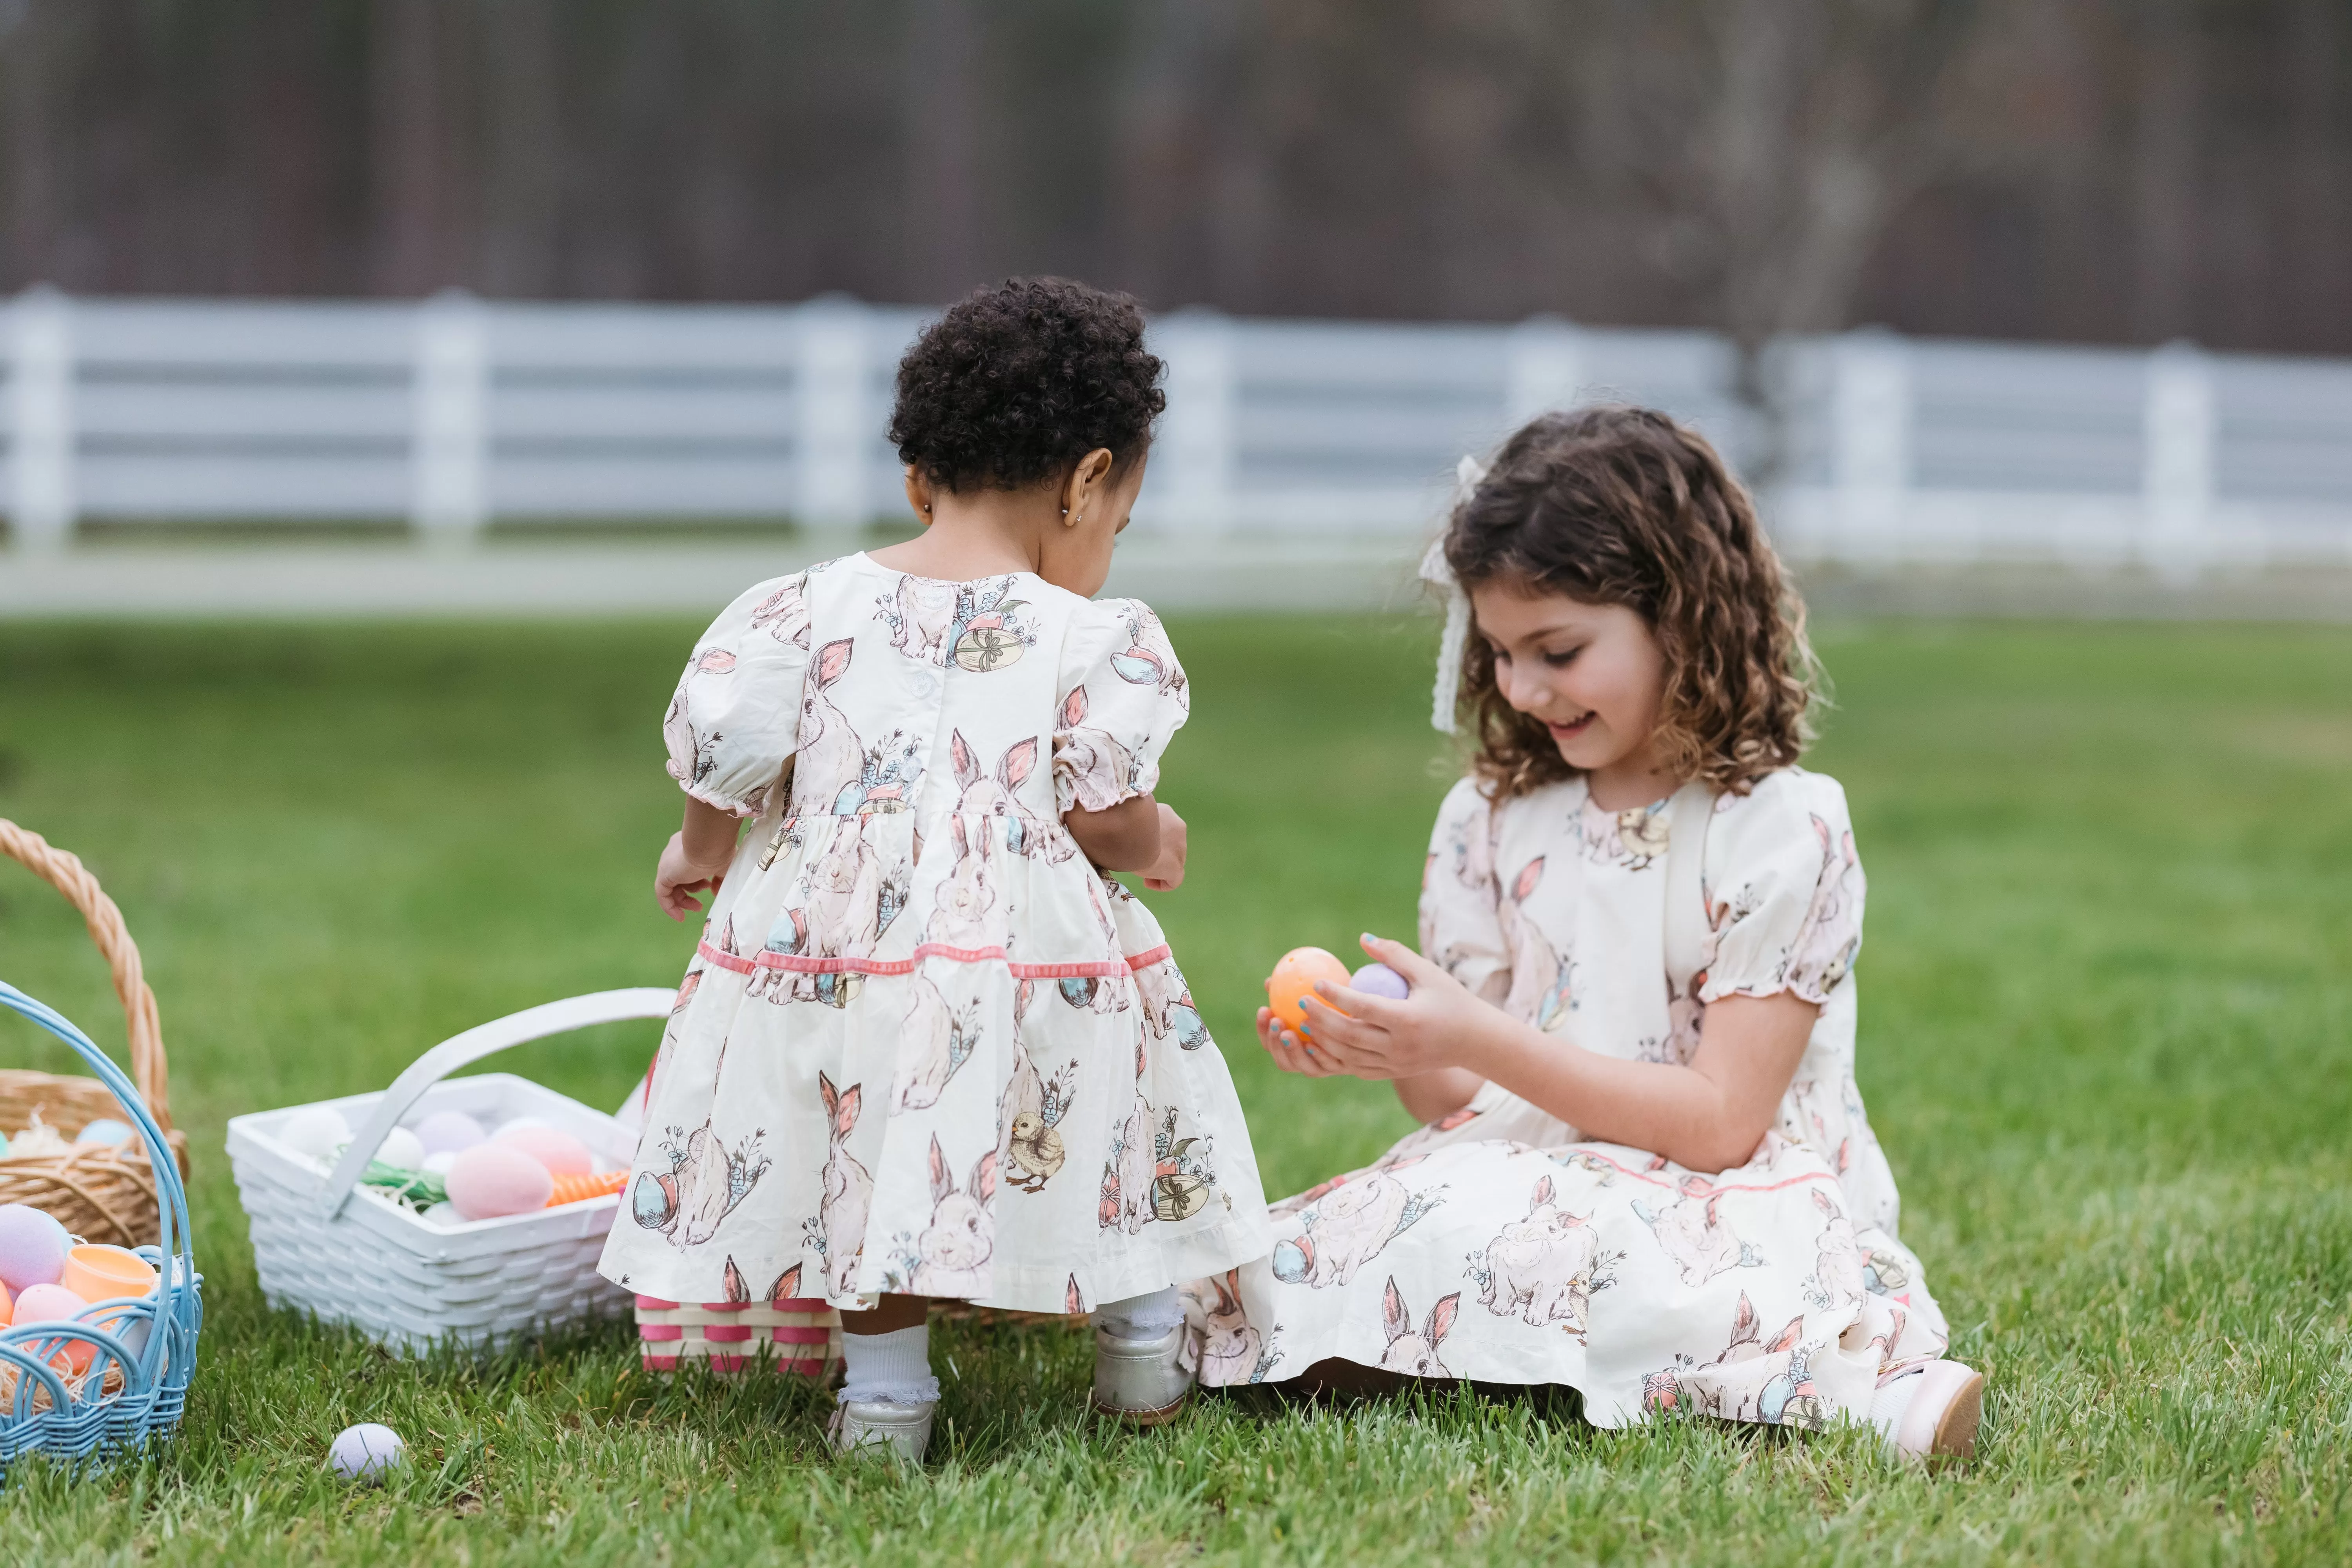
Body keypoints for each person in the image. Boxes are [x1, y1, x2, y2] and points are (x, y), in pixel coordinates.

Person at [1186, 406, 1982, 1462]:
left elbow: (1719, 1124)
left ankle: (1860, 1394)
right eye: (1501, 653)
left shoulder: (1779, 828)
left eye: (1556, 650)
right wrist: (1396, 1049)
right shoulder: (1489, 818)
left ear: (1683, 618)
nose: (1521, 689)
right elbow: (1456, 1104)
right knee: (1335, 1248)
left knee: (1653, 1273)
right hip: (1521, 1166)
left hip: (1722, 1185)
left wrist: (1475, 1035)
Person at [600, 277, 1269, 1461]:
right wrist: (1159, 843)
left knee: (859, 1145)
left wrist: (697, 854)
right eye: (1117, 521)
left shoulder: (796, 610)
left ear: (921, 478)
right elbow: (1107, 814)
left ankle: (885, 1398)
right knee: (1110, 1115)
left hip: (843, 963)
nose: (1110, 547)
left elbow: (722, 754)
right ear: (1085, 480)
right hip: (1032, 962)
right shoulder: (1091, 639)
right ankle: (1138, 1348)